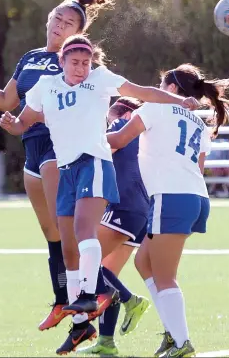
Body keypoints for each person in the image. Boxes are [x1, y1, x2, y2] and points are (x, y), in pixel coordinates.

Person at [0, 0, 133, 331]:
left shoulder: (79, 63)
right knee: (51, 233)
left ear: (79, 33)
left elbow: (102, 92)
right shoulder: (30, 58)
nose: (60, 25)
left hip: (58, 148)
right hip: (31, 148)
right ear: (48, 21)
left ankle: (98, 301)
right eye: (57, 19)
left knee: (68, 232)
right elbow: (4, 99)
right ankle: (70, 300)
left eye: (68, 23)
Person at [0, 36, 200, 354]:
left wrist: (177, 101)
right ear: (61, 61)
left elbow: (142, 92)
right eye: (75, 62)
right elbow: (23, 122)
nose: (81, 68)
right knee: (68, 249)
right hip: (66, 170)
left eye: (86, 63)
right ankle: (82, 325)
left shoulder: (100, 80)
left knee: (83, 231)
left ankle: (91, 295)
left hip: (94, 163)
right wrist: (11, 123)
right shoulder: (44, 87)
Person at [106, 63, 229, 357]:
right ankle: (172, 334)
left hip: (171, 196)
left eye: (159, 85)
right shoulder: (197, 122)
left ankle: (181, 343)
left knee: (165, 275)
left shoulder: (154, 108)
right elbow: (198, 168)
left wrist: (78, 141)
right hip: (195, 198)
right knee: (144, 262)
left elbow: (117, 141)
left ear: (169, 89)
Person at [79, 97, 150, 356]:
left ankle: (131, 299)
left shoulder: (122, 124)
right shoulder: (145, 136)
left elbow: (98, 150)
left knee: (83, 258)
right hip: (141, 212)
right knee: (106, 272)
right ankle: (106, 342)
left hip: (123, 206)